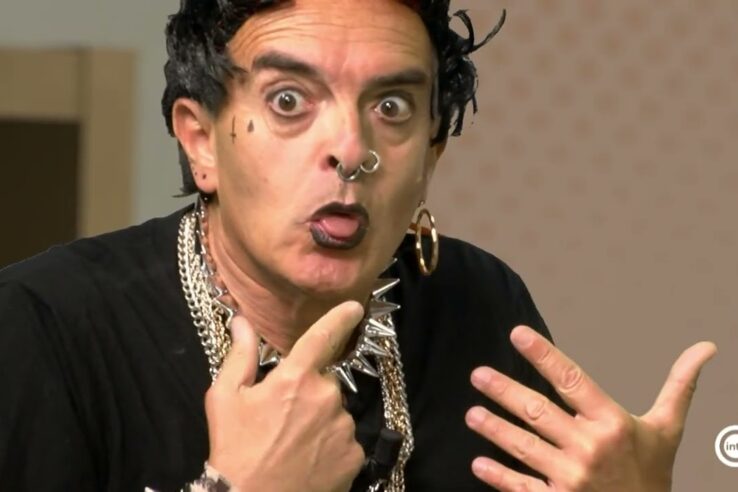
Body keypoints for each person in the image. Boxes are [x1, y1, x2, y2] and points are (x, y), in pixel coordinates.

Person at [0, 0, 717, 491]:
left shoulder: (480, 304)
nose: (351, 150)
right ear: (200, 141)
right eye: (288, 101)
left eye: (392, 107)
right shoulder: (40, 327)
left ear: (431, 154)